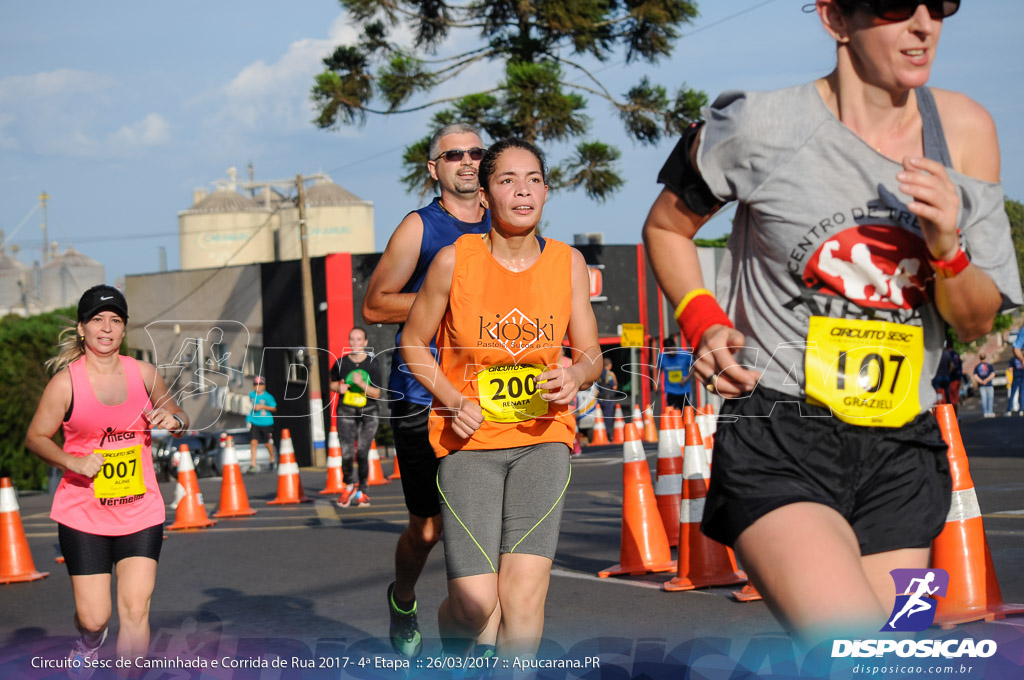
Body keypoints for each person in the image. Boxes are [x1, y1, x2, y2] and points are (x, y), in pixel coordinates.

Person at [642, 0, 1022, 645]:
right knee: (853, 649)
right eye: (898, 7)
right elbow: (666, 227)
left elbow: (975, 317)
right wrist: (704, 321)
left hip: (902, 443)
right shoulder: (757, 125)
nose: (924, 24)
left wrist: (947, 243)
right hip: (782, 433)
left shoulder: (964, 131)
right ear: (835, 19)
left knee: (896, 657)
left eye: (942, 5)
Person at [400, 138, 601, 657]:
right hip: (469, 444)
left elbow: (592, 353)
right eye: (508, 180)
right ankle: (455, 652)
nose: (522, 190)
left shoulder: (568, 263)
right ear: (486, 195)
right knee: (475, 606)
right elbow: (412, 341)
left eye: (533, 179)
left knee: (524, 597)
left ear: (547, 192)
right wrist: (450, 398)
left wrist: (575, 375)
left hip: (544, 439)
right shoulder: (452, 261)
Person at [361, 123, 491, 657]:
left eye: (477, 152)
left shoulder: (505, 221)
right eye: (453, 154)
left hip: (489, 399)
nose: (467, 161)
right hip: (422, 398)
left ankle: (475, 638)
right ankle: (404, 597)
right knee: (429, 530)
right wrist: (443, 307)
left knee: (483, 530)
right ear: (433, 168)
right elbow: (374, 304)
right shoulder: (420, 226)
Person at [24, 285, 188, 674]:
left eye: (115, 320)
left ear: (124, 329)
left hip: (140, 510)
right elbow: (35, 437)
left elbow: (179, 416)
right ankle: (89, 641)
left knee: (135, 609)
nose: (107, 328)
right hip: (84, 514)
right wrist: (72, 461)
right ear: (82, 328)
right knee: (96, 616)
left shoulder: (143, 374)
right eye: (97, 320)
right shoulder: (66, 383)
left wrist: (173, 420)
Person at [329, 326, 383, 507]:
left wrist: (362, 384)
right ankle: (349, 485)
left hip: (369, 411)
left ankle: (363, 491)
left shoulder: (372, 364)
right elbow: (332, 383)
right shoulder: (341, 363)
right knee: (346, 453)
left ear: (365, 343)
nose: (355, 343)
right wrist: (338, 388)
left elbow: (377, 394)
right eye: (352, 339)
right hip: (346, 410)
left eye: (359, 339)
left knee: (362, 452)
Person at [246, 375, 277, 472]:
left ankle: (272, 460)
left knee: (267, 443)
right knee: (253, 443)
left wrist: (262, 407)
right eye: (255, 385)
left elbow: (274, 408)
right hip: (255, 421)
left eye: (260, 384)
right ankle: (253, 465)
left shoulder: (268, 397)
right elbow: (247, 406)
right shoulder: (251, 395)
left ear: (264, 385)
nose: (257, 387)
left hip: (266, 422)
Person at [657, 334, 694, 410]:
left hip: (684, 390)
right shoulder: (661, 357)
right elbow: (659, 368)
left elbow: (694, 367)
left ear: (675, 345)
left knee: (686, 413)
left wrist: (687, 378)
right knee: (674, 414)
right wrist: (659, 379)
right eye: (668, 351)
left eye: (673, 349)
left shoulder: (685, 355)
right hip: (670, 390)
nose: (671, 352)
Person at [595, 357, 619, 424]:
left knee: (599, 417)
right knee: (608, 418)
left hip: (600, 399)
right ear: (610, 365)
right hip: (608, 399)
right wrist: (614, 378)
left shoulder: (598, 373)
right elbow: (614, 386)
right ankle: (607, 433)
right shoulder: (609, 374)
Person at [972, 353, 996, 418]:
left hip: (981, 385)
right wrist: (986, 380)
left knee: (984, 399)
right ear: (985, 358)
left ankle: (985, 412)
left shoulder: (977, 366)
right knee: (990, 399)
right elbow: (993, 374)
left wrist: (981, 381)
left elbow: (975, 376)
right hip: (989, 384)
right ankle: (990, 412)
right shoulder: (989, 365)